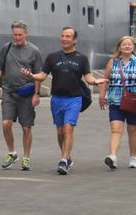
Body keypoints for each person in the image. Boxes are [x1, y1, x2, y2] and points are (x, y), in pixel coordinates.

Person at [21, 27, 107, 175]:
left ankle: (63, 160)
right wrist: (31, 76)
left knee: (68, 128)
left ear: (74, 40)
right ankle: (67, 157)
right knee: (60, 132)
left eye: (68, 36)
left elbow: (88, 77)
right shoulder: (52, 57)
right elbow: (43, 75)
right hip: (57, 99)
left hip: (74, 99)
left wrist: (95, 82)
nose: (65, 39)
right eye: (62, 36)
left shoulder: (81, 58)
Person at [0, 21, 42, 170]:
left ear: (26, 34)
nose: (17, 38)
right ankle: (12, 152)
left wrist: (36, 94)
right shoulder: (6, 48)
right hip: (8, 92)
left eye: (20, 35)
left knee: (26, 127)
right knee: (6, 123)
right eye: (15, 35)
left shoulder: (34, 51)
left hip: (26, 93)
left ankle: (26, 158)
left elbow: (39, 74)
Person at [100, 36, 136, 169]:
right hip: (115, 100)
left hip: (134, 100)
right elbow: (105, 79)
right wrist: (101, 96)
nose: (127, 46)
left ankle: (133, 156)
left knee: (133, 129)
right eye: (124, 44)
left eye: (129, 44)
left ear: (133, 47)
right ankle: (113, 156)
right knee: (115, 128)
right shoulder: (113, 62)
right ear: (119, 47)